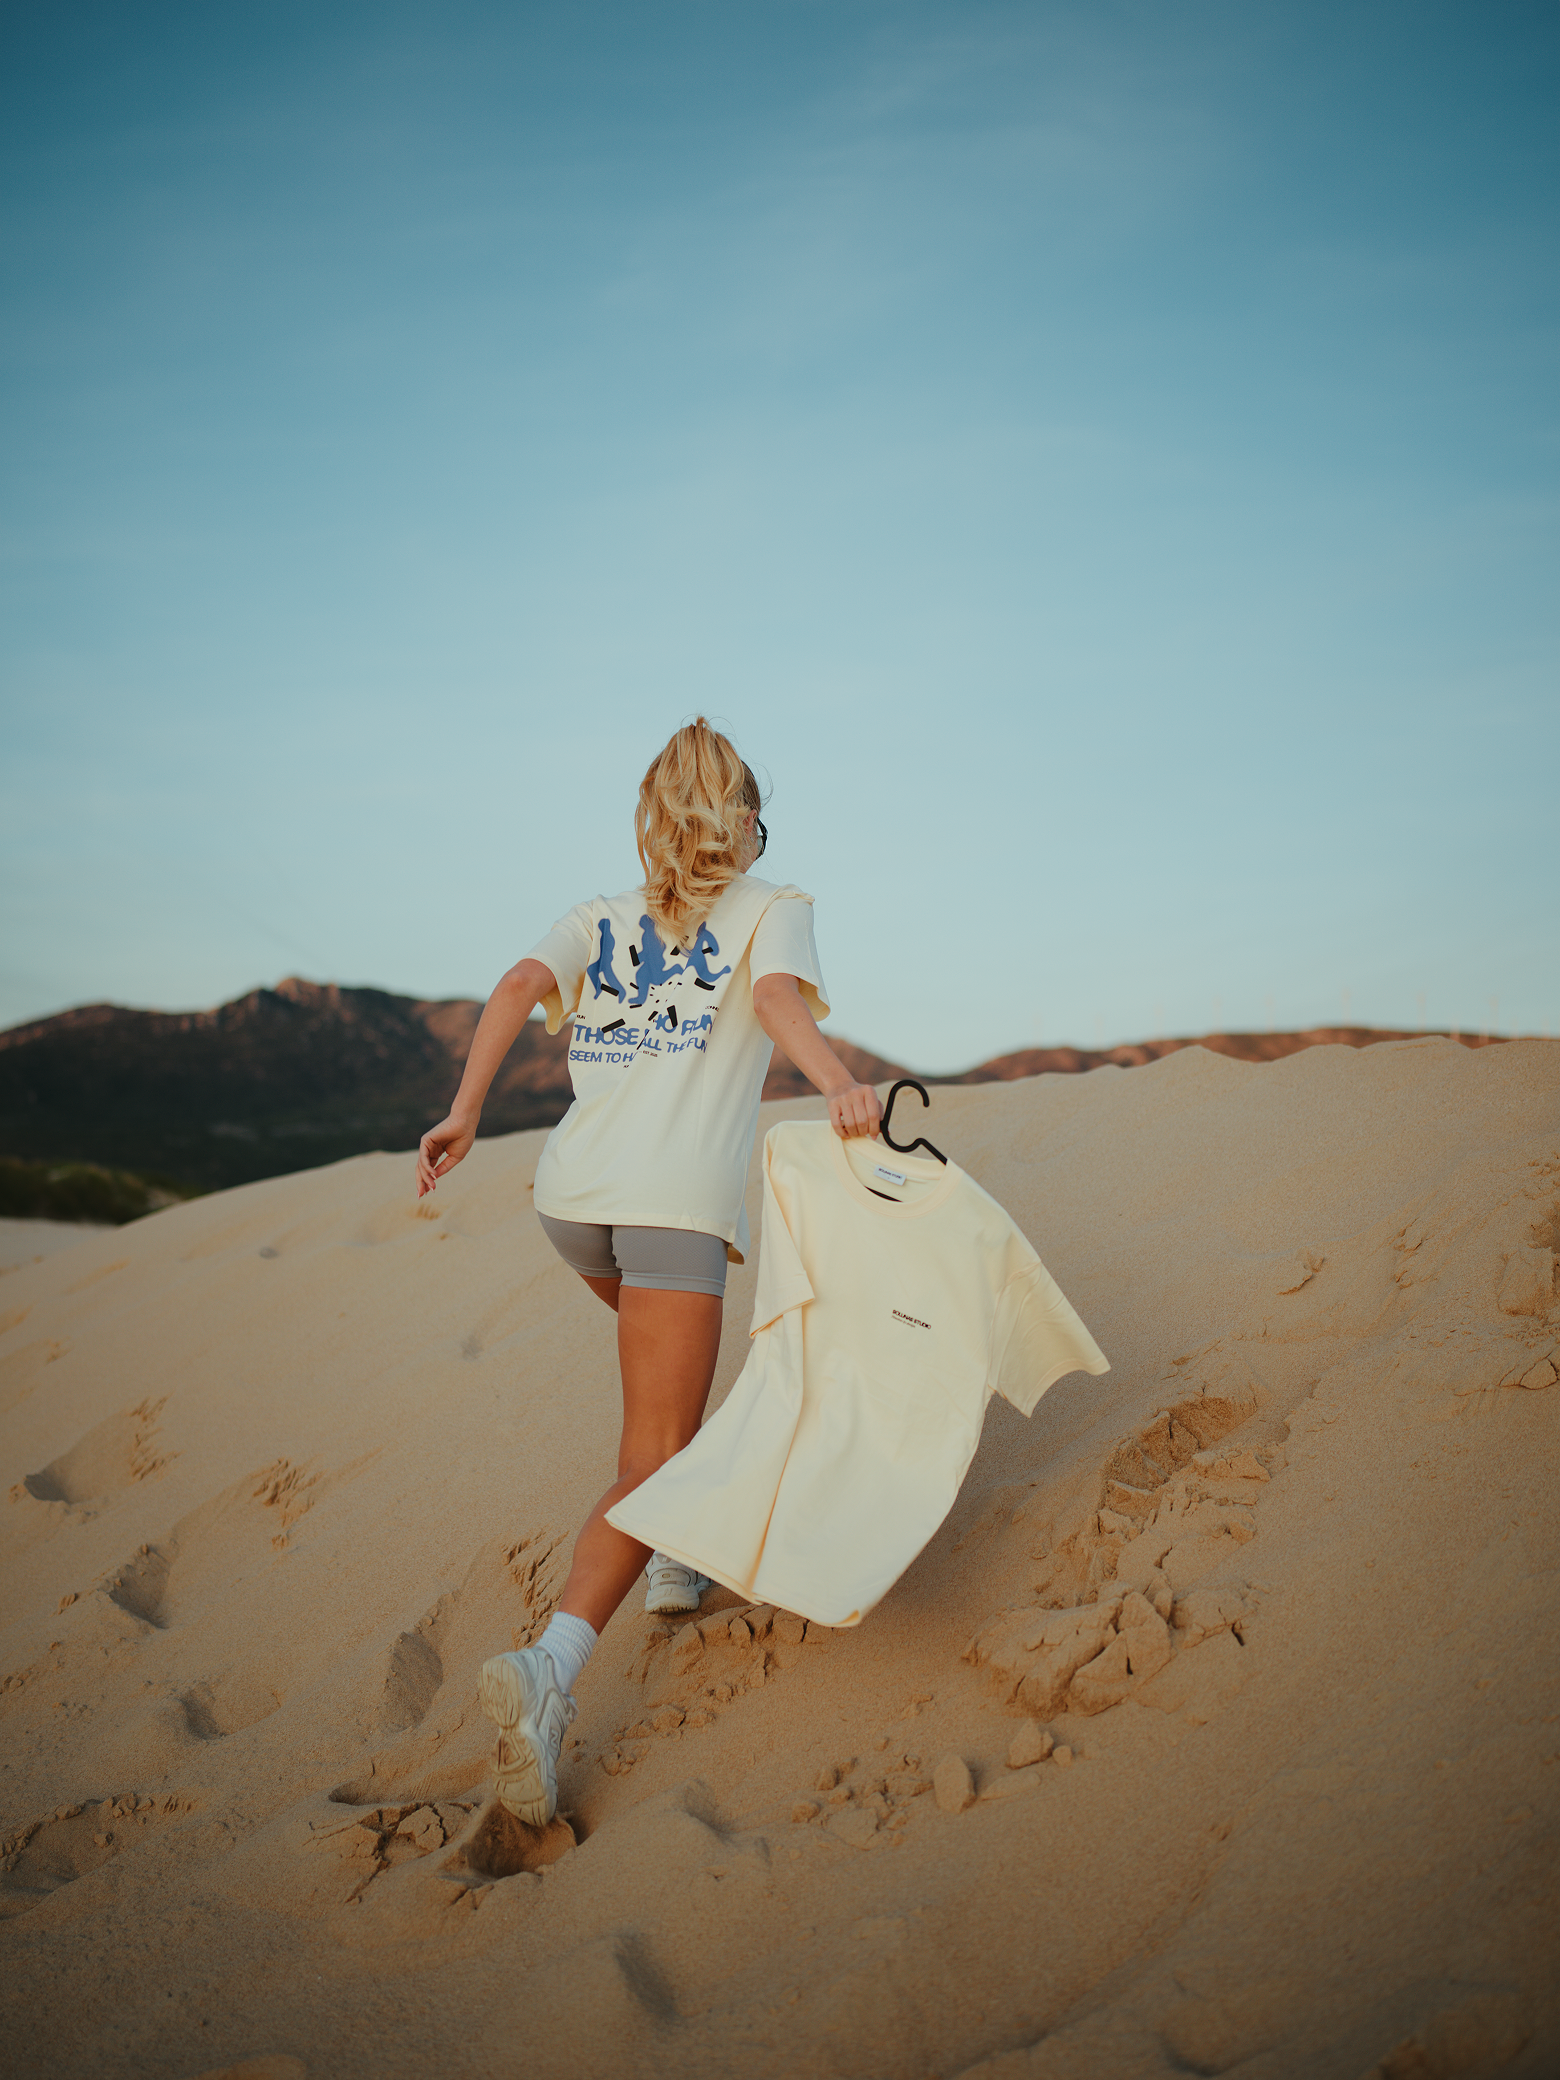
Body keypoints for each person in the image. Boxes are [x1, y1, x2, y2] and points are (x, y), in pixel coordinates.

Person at [415, 720, 883, 1825]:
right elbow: (773, 1004)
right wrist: (837, 1083)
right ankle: (551, 1670)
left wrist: (465, 1110)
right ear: (744, 815)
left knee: (666, 1398)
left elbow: (519, 981)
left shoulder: (597, 915)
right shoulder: (778, 905)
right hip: (670, 1210)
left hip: (570, 1201)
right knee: (656, 1449)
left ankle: (676, 1550)